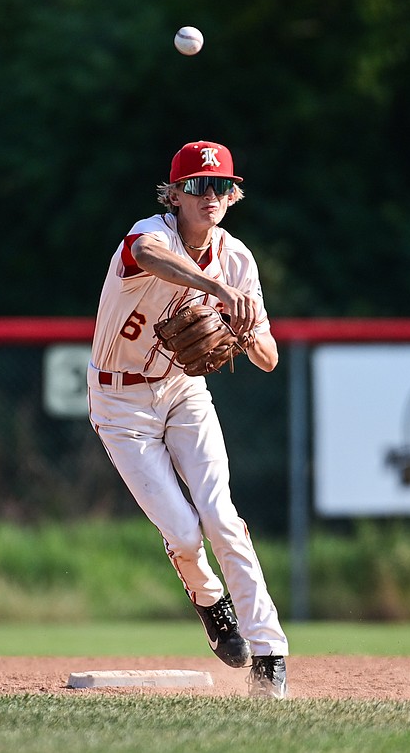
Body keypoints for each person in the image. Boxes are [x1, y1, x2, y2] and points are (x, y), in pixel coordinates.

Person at [86, 140, 289, 699]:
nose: (211, 195)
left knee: (221, 516)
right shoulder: (151, 233)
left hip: (182, 392)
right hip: (119, 402)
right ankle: (207, 598)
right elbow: (149, 257)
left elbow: (269, 358)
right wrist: (215, 290)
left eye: (221, 186)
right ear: (173, 194)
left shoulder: (238, 258)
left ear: (233, 195)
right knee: (180, 529)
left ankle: (270, 655)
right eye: (198, 186)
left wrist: (244, 328)